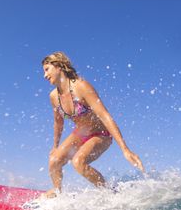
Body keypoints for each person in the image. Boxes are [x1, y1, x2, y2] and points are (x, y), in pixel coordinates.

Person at [42, 51, 145, 198]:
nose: (45, 75)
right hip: (80, 133)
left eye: (47, 69)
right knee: (54, 161)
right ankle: (57, 192)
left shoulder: (81, 86)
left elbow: (105, 115)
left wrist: (125, 148)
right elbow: (58, 123)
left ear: (59, 66)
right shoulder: (53, 97)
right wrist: (55, 146)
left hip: (100, 134)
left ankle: (110, 193)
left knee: (78, 162)